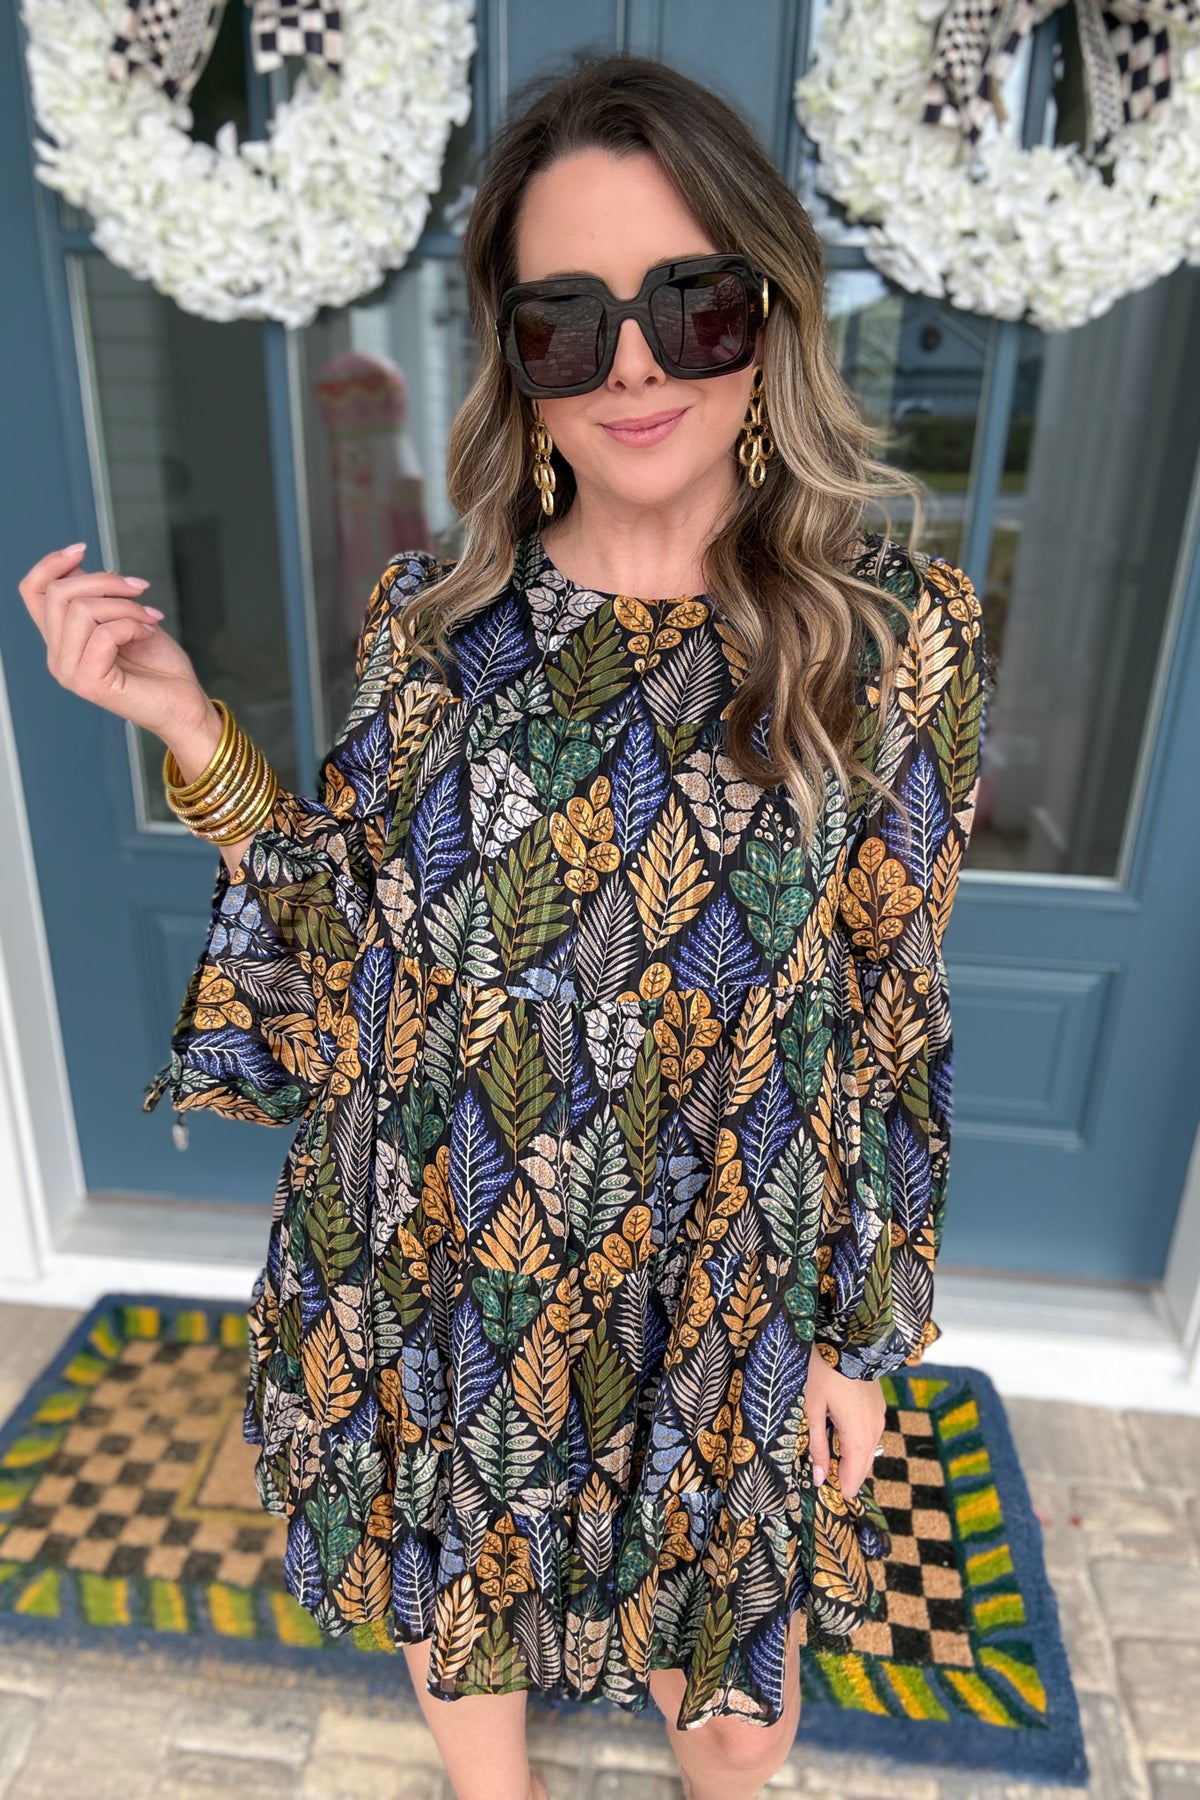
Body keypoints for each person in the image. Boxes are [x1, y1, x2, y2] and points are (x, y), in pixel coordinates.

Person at [18, 50, 987, 1800]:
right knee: (457, 1578)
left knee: (733, 1669)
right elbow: (338, 947)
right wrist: (186, 725)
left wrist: (857, 1333)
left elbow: (892, 997)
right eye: (568, 322)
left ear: (770, 311)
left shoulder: (891, 636)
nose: (636, 364)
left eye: (691, 303)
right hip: (444, 1241)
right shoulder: (434, 621)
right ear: (516, 358)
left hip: (724, 1272)